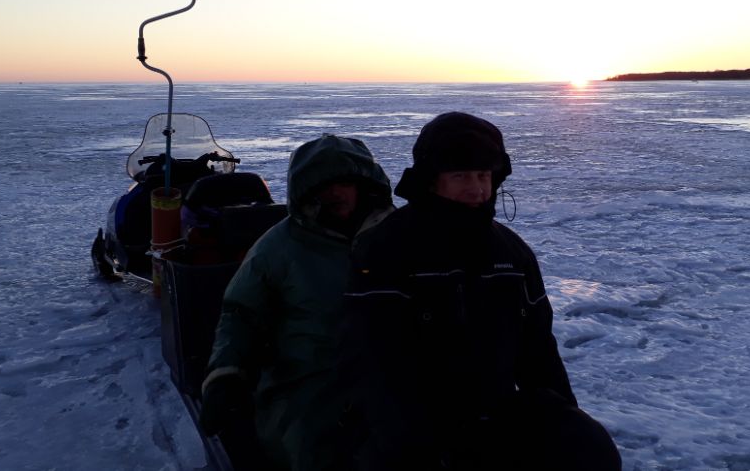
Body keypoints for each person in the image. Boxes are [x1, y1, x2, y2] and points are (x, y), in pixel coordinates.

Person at [342, 112, 621, 470]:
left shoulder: (511, 254)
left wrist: (563, 420)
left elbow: (538, 352)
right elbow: (374, 364)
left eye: (483, 175)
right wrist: (414, 447)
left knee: (588, 448)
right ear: (431, 180)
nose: (476, 188)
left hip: (494, 421)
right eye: (461, 175)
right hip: (409, 430)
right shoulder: (386, 248)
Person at [200, 134, 393, 471]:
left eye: (344, 183)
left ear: (365, 184)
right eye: (324, 185)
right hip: (308, 383)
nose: (335, 193)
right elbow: (241, 314)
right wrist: (225, 374)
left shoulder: (396, 236)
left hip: (389, 377)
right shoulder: (278, 247)